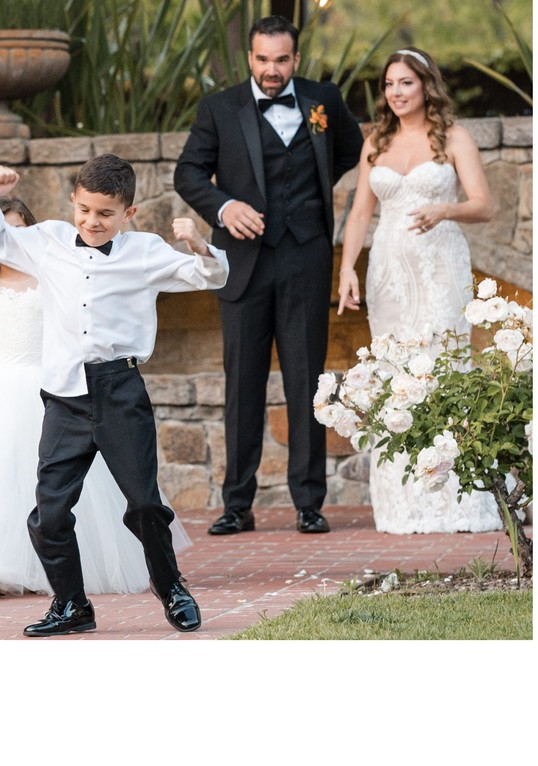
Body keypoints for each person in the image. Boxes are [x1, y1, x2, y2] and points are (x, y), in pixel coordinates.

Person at [0, 197, 191, 598]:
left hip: (52, 389)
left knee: (45, 488)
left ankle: (54, 574)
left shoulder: (55, 281)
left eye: (17, 231)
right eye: (0, 232)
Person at [0, 155, 229, 636]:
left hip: (120, 390)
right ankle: (72, 605)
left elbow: (211, 278)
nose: (92, 221)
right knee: (49, 512)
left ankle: (171, 587)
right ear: (73, 200)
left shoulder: (145, 252)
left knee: (145, 504)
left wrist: (199, 245)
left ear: (129, 213)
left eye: (105, 214)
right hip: (65, 395)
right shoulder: (45, 241)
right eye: (85, 209)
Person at [174, 15, 364, 537]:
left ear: (295, 59)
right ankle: (237, 503)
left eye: (282, 60)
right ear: (250, 59)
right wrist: (225, 206)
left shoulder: (323, 99)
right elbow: (187, 172)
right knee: (243, 384)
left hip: (305, 257)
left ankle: (309, 502)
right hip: (243, 263)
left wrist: (311, 193)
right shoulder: (219, 108)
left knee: (308, 381)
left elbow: (349, 149)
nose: (272, 70)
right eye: (262, 60)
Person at [336, 48, 502, 534]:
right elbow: (361, 212)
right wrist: (348, 268)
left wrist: (443, 210)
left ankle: (457, 500)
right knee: (395, 375)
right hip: (388, 270)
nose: (396, 92)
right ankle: (401, 504)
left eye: (405, 82)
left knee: (444, 368)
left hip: (440, 269)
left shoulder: (454, 137)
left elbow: (483, 206)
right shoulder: (376, 141)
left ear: (427, 85)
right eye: (389, 84)